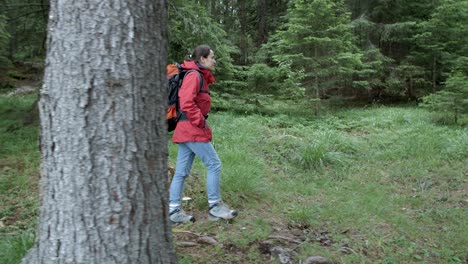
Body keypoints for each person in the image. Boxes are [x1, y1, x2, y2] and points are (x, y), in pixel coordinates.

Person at [168, 45, 238, 224]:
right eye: (212, 57)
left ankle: (173, 211)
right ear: (202, 59)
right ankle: (215, 207)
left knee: (181, 172)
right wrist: (200, 122)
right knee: (214, 164)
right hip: (192, 129)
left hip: (185, 128)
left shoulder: (198, 76)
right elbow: (186, 102)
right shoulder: (194, 76)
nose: (215, 60)